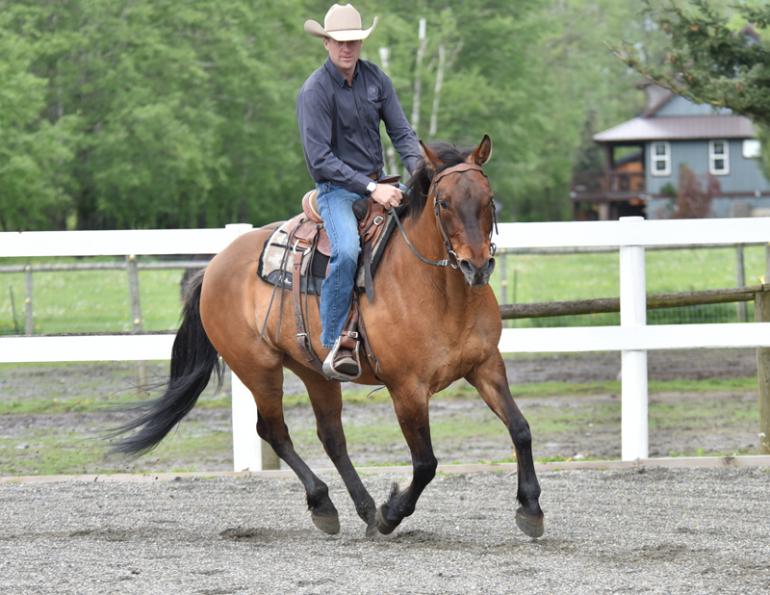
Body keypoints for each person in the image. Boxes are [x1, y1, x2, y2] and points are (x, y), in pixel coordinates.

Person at [297, 3, 421, 380]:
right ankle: (335, 341)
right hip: (336, 190)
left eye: (352, 40)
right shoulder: (315, 91)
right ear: (326, 43)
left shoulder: (376, 80)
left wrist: (423, 174)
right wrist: (371, 188)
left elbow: (401, 133)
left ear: (361, 42)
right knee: (348, 251)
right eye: (339, 41)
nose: (346, 47)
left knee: (432, 221)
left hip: (379, 184)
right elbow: (320, 160)